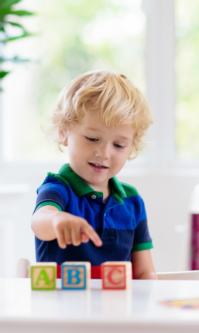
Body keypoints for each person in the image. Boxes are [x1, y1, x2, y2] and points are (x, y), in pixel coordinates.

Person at [31, 70, 157, 280]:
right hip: (62, 307)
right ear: (64, 132)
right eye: (92, 138)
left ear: (131, 147)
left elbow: (144, 271)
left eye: (119, 145)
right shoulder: (58, 188)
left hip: (118, 309)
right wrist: (57, 220)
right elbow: (39, 221)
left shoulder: (132, 200)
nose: (104, 153)